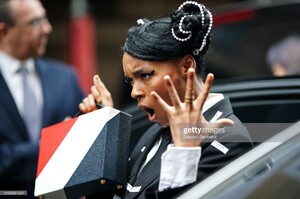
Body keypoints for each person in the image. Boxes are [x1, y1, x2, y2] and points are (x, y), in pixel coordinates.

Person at [80, 1, 253, 198]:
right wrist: (105, 133)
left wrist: (184, 151)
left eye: (145, 75)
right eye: (130, 81)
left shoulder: (229, 140)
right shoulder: (155, 131)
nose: (134, 92)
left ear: (187, 66)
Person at [0, 0, 85, 197]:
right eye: (35, 22)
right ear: (4, 31)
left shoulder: (65, 78)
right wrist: (50, 146)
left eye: (45, 18)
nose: (48, 28)